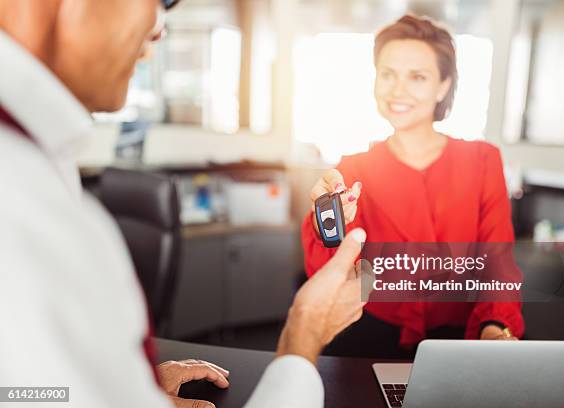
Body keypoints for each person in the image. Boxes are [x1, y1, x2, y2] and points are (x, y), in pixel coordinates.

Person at [0, 1, 370, 407]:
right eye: (156, 1)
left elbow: (26, 394)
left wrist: (124, 388)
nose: (159, 28)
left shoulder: (36, 170)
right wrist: (303, 341)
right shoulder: (27, 211)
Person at [302, 14, 524, 359]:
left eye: (417, 77)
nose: (397, 90)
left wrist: (495, 326)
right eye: (387, 74)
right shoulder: (353, 168)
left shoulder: (483, 161)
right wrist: (325, 227)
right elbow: (340, 273)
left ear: (443, 85)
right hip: (367, 334)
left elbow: (497, 260)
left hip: (460, 337)